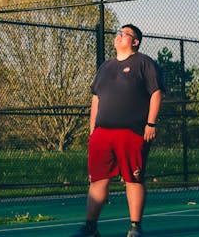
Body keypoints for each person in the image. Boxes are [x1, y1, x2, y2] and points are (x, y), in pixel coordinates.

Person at [70, 24, 165, 237]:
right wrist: (93, 128)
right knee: (98, 181)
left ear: (135, 41)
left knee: (134, 178)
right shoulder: (105, 67)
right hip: (102, 135)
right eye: (118, 33)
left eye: (125, 34)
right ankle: (90, 228)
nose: (119, 36)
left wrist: (151, 124)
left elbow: (156, 93)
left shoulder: (144, 63)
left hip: (132, 133)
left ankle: (135, 228)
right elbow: (96, 98)